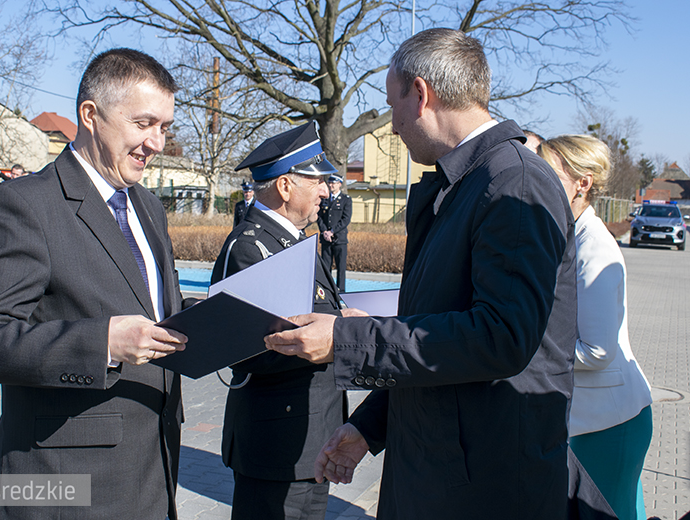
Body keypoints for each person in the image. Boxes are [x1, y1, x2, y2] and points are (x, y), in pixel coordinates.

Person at [264, 28, 578, 519]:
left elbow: (502, 337)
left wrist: (348, 339)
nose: (392, 125)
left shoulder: (513, 183)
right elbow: (435, 338)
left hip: (482, 489)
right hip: (442, 473)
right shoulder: (469, 183)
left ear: (421, 93)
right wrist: (371, 426)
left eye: (393, 105)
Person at [0, 48, 190, 520]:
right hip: (62, 484)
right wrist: (102, 342)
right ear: (91, 116)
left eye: (165, 127)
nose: (157, 143)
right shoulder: (23, 205)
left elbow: (149, 306)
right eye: (144, 124)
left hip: (149, 471)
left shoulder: (147, 207)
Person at [211, 122, 350, 520]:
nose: (326, 191)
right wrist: (337, 335)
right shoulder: (250, 246)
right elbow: (244, 348)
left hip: (311, 437)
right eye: (317, 181)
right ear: (286, 187)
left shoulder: (292, 241)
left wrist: (341, 321)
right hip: (274, 443)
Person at [538, 134, 653, 520]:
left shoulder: (596, 247)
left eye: (549, 173)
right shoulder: (570, 234)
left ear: (581, 183)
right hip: (592, 421)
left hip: (609, 424)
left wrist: (529, 349)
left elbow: (598, 351)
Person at [317, 174, 352, 291]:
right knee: (326, 267)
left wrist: (332, 231)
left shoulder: (346, 200)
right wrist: (324, 232)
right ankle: (327, 291)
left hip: (339, 239)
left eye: (334, 183)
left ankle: (341, 291)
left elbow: (346, 219)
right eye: (330, 183)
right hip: (326, 239)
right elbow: (319, 216)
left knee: (341, 267)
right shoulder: (324, 200)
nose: (331, 185)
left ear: (340, 184)